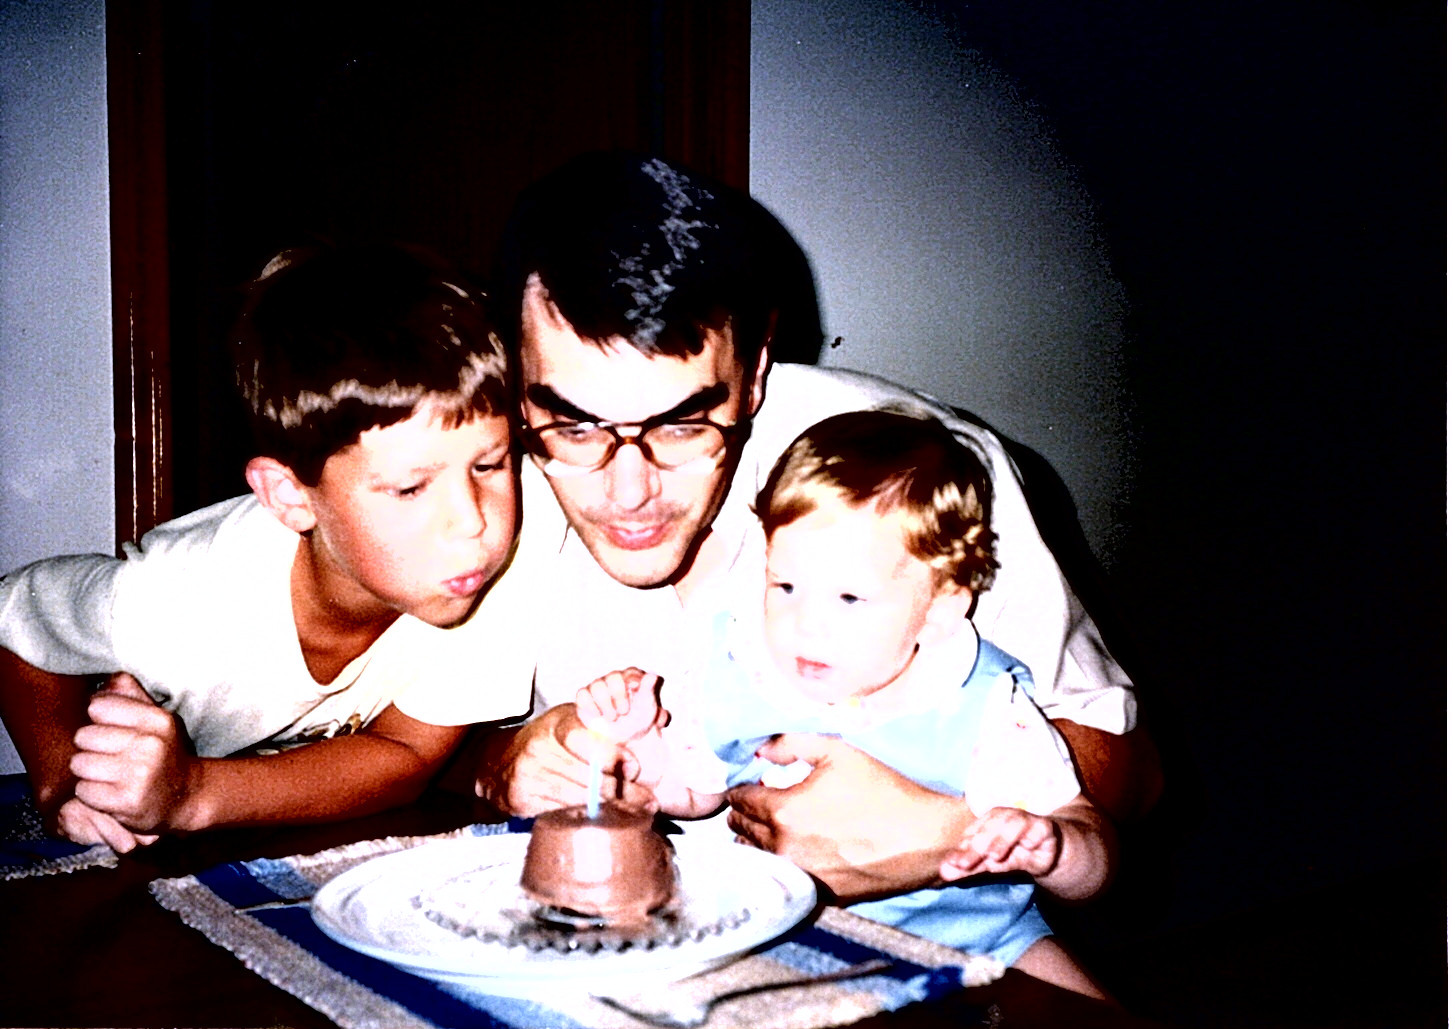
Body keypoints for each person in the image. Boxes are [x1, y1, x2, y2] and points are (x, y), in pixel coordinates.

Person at [469, 150, 1160, 900]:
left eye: (684, 425)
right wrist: (505, 763)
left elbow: (1134, 777)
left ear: (756, 369)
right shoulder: (474, 487)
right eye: (573, 428)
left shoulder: (914, 472)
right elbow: (416, 741)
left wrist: (945, 830)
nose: (629, 491)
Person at [0, 242, 521, 852]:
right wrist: (60, 782)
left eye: (490, 464)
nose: (472, 522)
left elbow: (404, 754)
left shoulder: (488, 569)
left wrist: (193, 792)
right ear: (290, 496)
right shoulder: (176, 599)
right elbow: (13, 613)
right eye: (410, 488)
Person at [575, 409, 1114, 998]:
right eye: (785, 586)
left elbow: (1093, 857)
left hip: (984, 940)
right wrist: (638, 746)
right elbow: (696, 792)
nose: (805, 624)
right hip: (793, 940)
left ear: (938, 610)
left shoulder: (985, 705)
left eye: (850, 598)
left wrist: (1054, 848)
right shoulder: (745, 670)